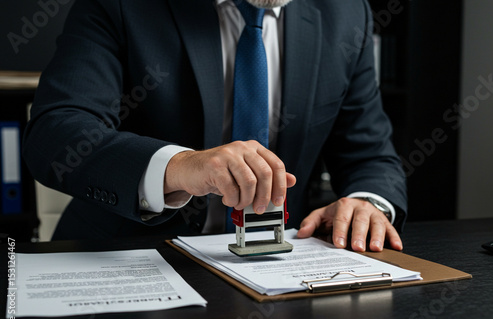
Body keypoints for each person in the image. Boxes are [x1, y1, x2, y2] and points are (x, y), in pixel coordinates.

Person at [23, 0, 407, 252]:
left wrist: (366, 203)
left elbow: (370, 154)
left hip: (283, 268)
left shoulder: (344, 13)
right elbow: (57, 132)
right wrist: (178, 167)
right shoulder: (121, 5)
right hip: (128, 258)